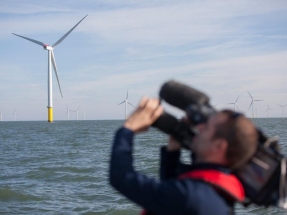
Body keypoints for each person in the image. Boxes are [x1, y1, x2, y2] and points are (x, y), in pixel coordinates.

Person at [109, 97, 258, 215]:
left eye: (206, 128)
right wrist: (173, 150)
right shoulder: (212, 192)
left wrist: (128, 129)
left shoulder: (193, 196)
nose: (199, 128)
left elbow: (121, 177)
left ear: (219, 146)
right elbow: (170, 193)